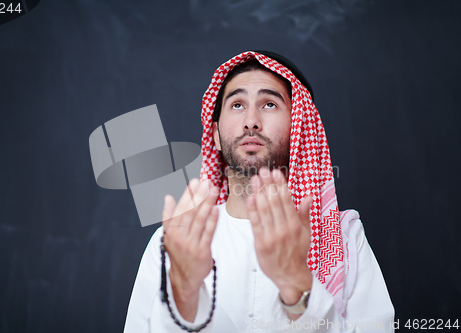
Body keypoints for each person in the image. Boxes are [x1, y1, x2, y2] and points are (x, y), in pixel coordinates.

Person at [123, 51, 394, 332]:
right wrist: (184, 296)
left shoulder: (345, 239)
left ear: (297, 127)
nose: (251, 121)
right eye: (237, 105)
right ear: (215, 134)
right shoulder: (176, 241)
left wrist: (299, 287)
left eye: (269, 104)